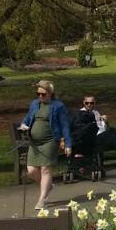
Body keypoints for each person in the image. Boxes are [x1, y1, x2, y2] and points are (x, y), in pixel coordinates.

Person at [17, 80, 71, 211]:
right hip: (35, 143)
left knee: (46, 169)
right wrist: (24, 125)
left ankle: (42, 199)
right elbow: (28, 117)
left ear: (50, 94)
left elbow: (65, 125)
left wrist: (68, 144)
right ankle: (47, 186)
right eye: (38, 94)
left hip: (50, 141)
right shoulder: (35, 104)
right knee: (31, 171)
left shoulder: (58, 106)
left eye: (43, 94)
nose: (40, 97)